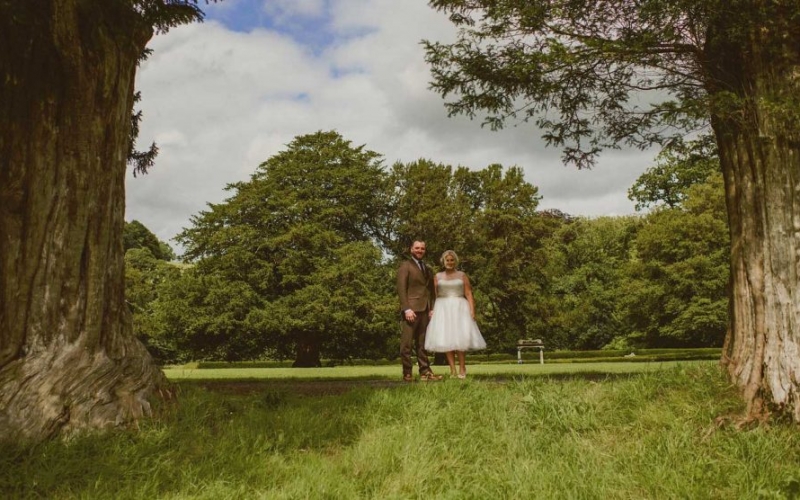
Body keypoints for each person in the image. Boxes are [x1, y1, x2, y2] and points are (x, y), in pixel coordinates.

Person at [425, 250, 486, 379]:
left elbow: (468, 293)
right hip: (443, 309)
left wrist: (472, 310)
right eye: (447, 260)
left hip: (460, 308)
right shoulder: (437, 276)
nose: (450, 262)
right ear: (443, 261)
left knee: (460, 339)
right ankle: (452, 370)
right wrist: (432, 310)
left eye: (452, 260)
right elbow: (434, 295)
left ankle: (462, 368)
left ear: (455, 261)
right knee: (447, 339)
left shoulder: (462, 275)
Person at [397, 239, 443, 382]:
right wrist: (406, 309)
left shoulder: (427, 268)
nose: (420, 251)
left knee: (422, 344)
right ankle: (407, 373)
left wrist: (432, 308)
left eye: (422, 248)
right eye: (417, 248)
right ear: (411, 249)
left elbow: (430, 291)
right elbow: (401, 289)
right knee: (407, 344)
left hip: (425, 310)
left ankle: (425, 372)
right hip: (411, 310)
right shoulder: (405, 266)